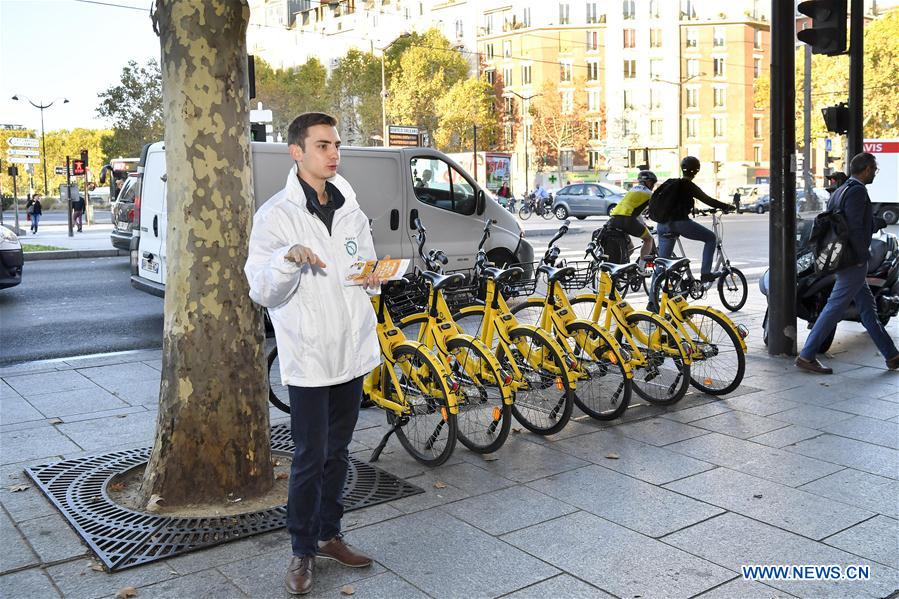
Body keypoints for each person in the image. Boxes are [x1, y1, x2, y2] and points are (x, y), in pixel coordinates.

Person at [244, 112, 387, 595]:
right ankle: (302, 550)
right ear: (297, 152)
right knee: (309, 456)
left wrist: (373, 277)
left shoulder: (348, 203)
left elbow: (360, 261)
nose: (333, 153)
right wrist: (288, 260)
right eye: (323, 145)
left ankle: (330, 534)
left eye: (336, 144)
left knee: (339, 453)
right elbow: (262, 288)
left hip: (349, 350)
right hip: (309, 355)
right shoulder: (276, 215)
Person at [796, 152, 899, 374]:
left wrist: (873, 221)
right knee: (834, 307)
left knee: (868, 311)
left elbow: (844, 219)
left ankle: (892, 356)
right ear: (868, 169)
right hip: (852, 260)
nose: (875, 174)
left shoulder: (841, 189)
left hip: (843, 258)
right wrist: (864, 253)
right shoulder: (858, 191)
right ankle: (807, 355)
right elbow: (854, 226)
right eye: (875, 170)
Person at [654, 156, 734, 283]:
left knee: (662, 264)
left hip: (662, 225)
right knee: (711, 238)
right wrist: (727, 206)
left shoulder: (671, 183)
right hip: (680, 223)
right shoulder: (688, 185)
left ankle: (652, 301)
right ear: (696, 171)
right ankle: (706, 273)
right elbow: (708, 200)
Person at [608, 170, 657, 264]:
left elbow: (635, 211)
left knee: (629, 248)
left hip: (614, 220)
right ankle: (641, 267)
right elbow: (657, 210)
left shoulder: (632, 190)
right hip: (627, 220)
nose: (653, 186)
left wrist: (643, 224)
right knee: (648, 239)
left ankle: (621, 267)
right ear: (649, 182)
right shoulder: (649, 194)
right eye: (653, 183)